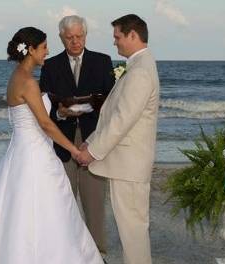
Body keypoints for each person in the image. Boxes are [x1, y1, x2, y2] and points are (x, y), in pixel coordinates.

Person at [0, 27, 104, 264]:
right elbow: (45, 124)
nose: (48, 51)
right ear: (31, 50)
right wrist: (74, 149)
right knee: (45, 211)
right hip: (35, 155)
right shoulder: (29, 83)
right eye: (44, 47)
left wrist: (62, 111)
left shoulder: (16, 77)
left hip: (20, 153)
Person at [77, 14, 160, 264]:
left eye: (118, 37)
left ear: (133, 35)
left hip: (130, 166)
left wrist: (93, 152)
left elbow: (122, 120)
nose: (115, 43)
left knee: (133, 231)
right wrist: (90, 141)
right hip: (127, 165)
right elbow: (112, 114)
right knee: (131, 230)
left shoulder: (141, 71)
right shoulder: (138, 66)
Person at [39, 15, 114, 257]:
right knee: (64, 202)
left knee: (94, 202)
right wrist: (59, 114)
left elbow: (113, 102)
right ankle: (67, 255)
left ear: (85, 35)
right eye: (69, 37)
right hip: (64, 141)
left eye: (79, 36)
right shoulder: (50, 66)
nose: (75, 41)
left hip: (95, 140)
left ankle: (98, 254)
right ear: (61, 37)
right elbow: (43, 106)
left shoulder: (102, 61)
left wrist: (99, 105)